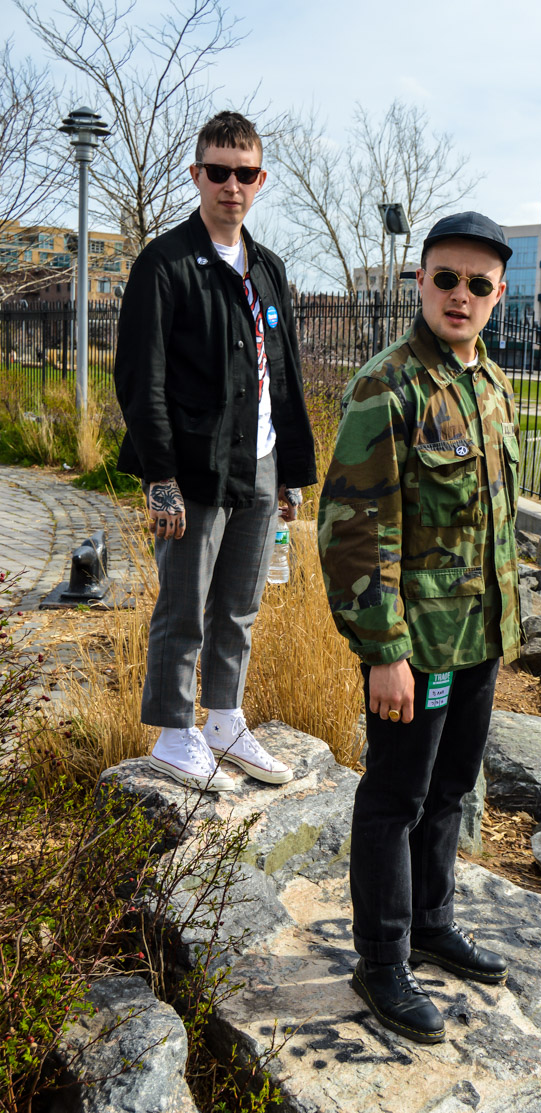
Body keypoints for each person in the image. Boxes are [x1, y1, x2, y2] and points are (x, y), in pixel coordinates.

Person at [318, 212, 520, 1044]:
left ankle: (433, 917)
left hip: (478, 639)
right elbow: (353, 530)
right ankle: (383, 958)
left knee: (451, 790)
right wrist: (384, 651)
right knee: (394, 798)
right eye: (447, 278)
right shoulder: (386, 385)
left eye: (479, 283)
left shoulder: (491, 386)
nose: (461, 295)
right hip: (416, 647)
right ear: (420, 280)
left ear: (499, 294)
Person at [114, 111, 316, 793]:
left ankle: (224, 717)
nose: (233, 185)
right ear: (196, 174)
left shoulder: (268, 269)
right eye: (219, 171)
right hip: (194, 467)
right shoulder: (164, 265)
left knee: (240, 601)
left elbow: (281, 372)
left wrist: (290, 471)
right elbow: (142, 380)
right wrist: (160, 477)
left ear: (261, 180)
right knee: (184, 600)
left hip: (257, 462)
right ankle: (175, 732)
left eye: (246, 172)